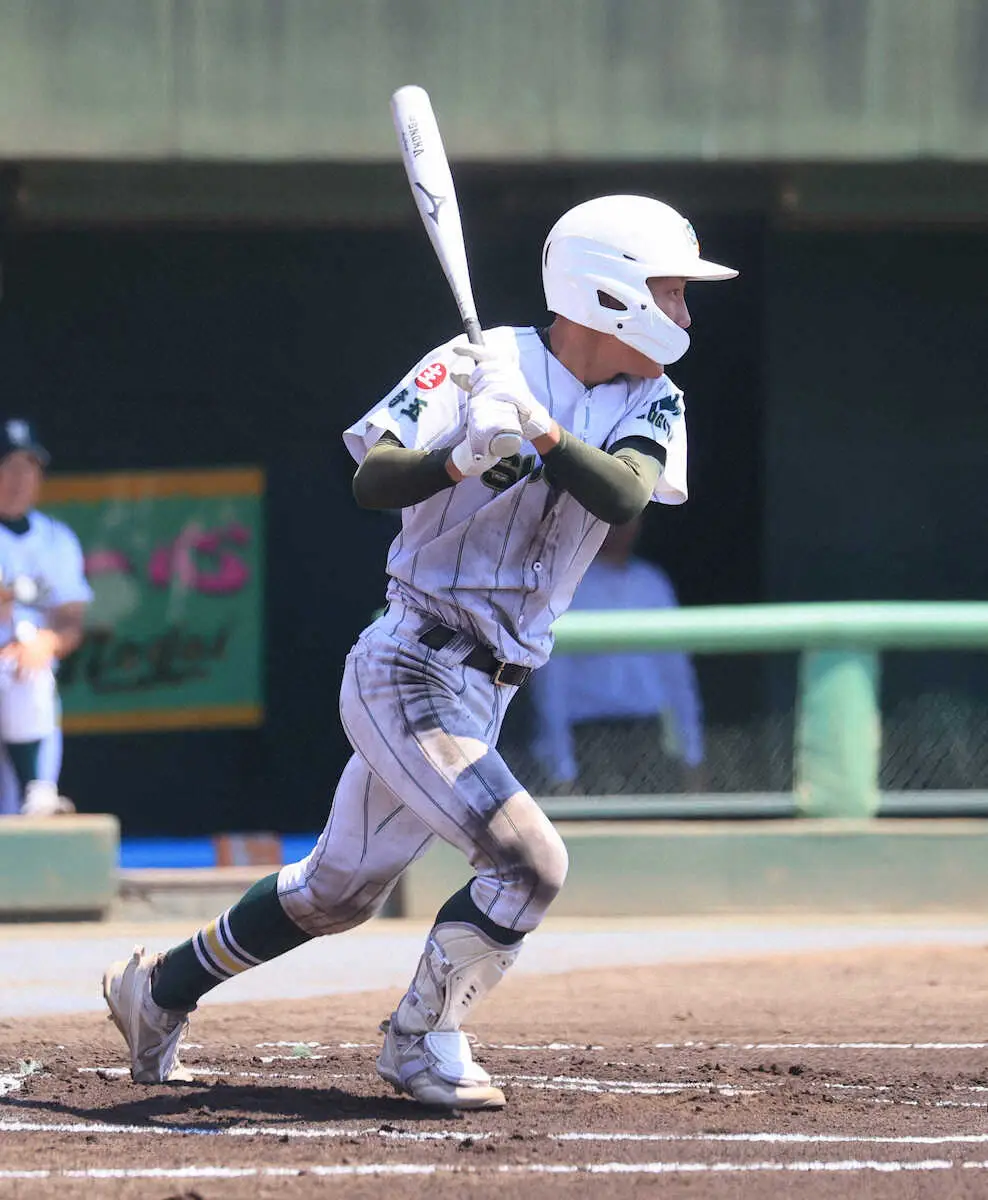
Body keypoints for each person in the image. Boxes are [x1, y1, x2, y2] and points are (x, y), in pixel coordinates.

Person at [102, 194, 737, 1109]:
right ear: (610, 295)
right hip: (411, 659)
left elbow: (624, 495)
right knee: (529, 863)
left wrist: (545, 434)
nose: (683, 312)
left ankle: (155, 989)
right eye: (671, 292)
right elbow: (370, 478)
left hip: (492, 685)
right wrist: (459, 458)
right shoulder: (474, 366)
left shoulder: (656, 398)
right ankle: (419, 1038)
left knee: (337, 891)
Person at [528, 512, 705, 796]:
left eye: (629, 518)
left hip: (648, 735)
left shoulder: (652, 583)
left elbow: (678, 679)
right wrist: (561, 770)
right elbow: (551, 689)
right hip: (589, 740)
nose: (620, 528)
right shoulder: (565, 586)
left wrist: (692, 756)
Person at [0, 419, 92, 816]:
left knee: (32, 649)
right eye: (9, 466)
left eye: (29, 467)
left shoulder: (55, 539)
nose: (20, 478)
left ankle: (37, 792)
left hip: (25, 683)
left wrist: (47, 642)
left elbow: (71, 622)